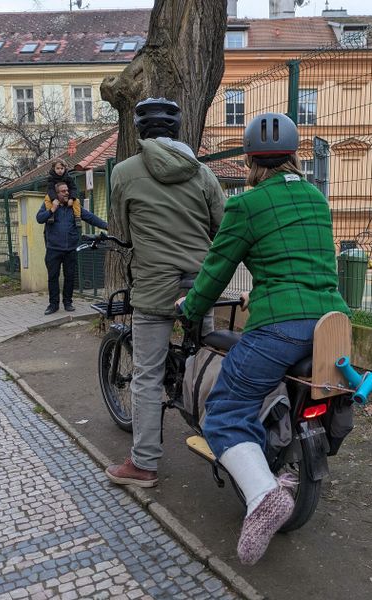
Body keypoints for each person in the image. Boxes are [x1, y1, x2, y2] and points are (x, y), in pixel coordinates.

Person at [176, 113, 350, 566]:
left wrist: (190, 310)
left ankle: (262, 496)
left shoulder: (245, 206)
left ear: (251, 160)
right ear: (293, 157)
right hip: (332, 325)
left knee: (225, 411)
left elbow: (216, 271)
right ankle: (281, 466)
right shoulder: (316, 198)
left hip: (280, 327)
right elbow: (304, 262)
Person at [103, 97, 226, 488]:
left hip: (154, 288)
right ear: (177, 131)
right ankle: (217, 440)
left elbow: (121, 230)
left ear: (140, 131)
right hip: (198, 286)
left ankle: (143, 464)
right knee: (205, 362)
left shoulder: (123, 171)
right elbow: (221, 225)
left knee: (147, 375)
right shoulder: (203, 173)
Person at [36, 181, 108, 315]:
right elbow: (39, 218)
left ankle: (68, 303)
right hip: (53, 249)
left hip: (70, 248)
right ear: (56, 194)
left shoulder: (74, 206)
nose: (66, 193)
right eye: (63, 191)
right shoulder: (49, 205)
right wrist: (52, 210)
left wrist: (106, 225)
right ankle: (53, 305)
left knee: (70, 277)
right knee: (53, 277)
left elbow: (90, 217)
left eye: (67, 191)